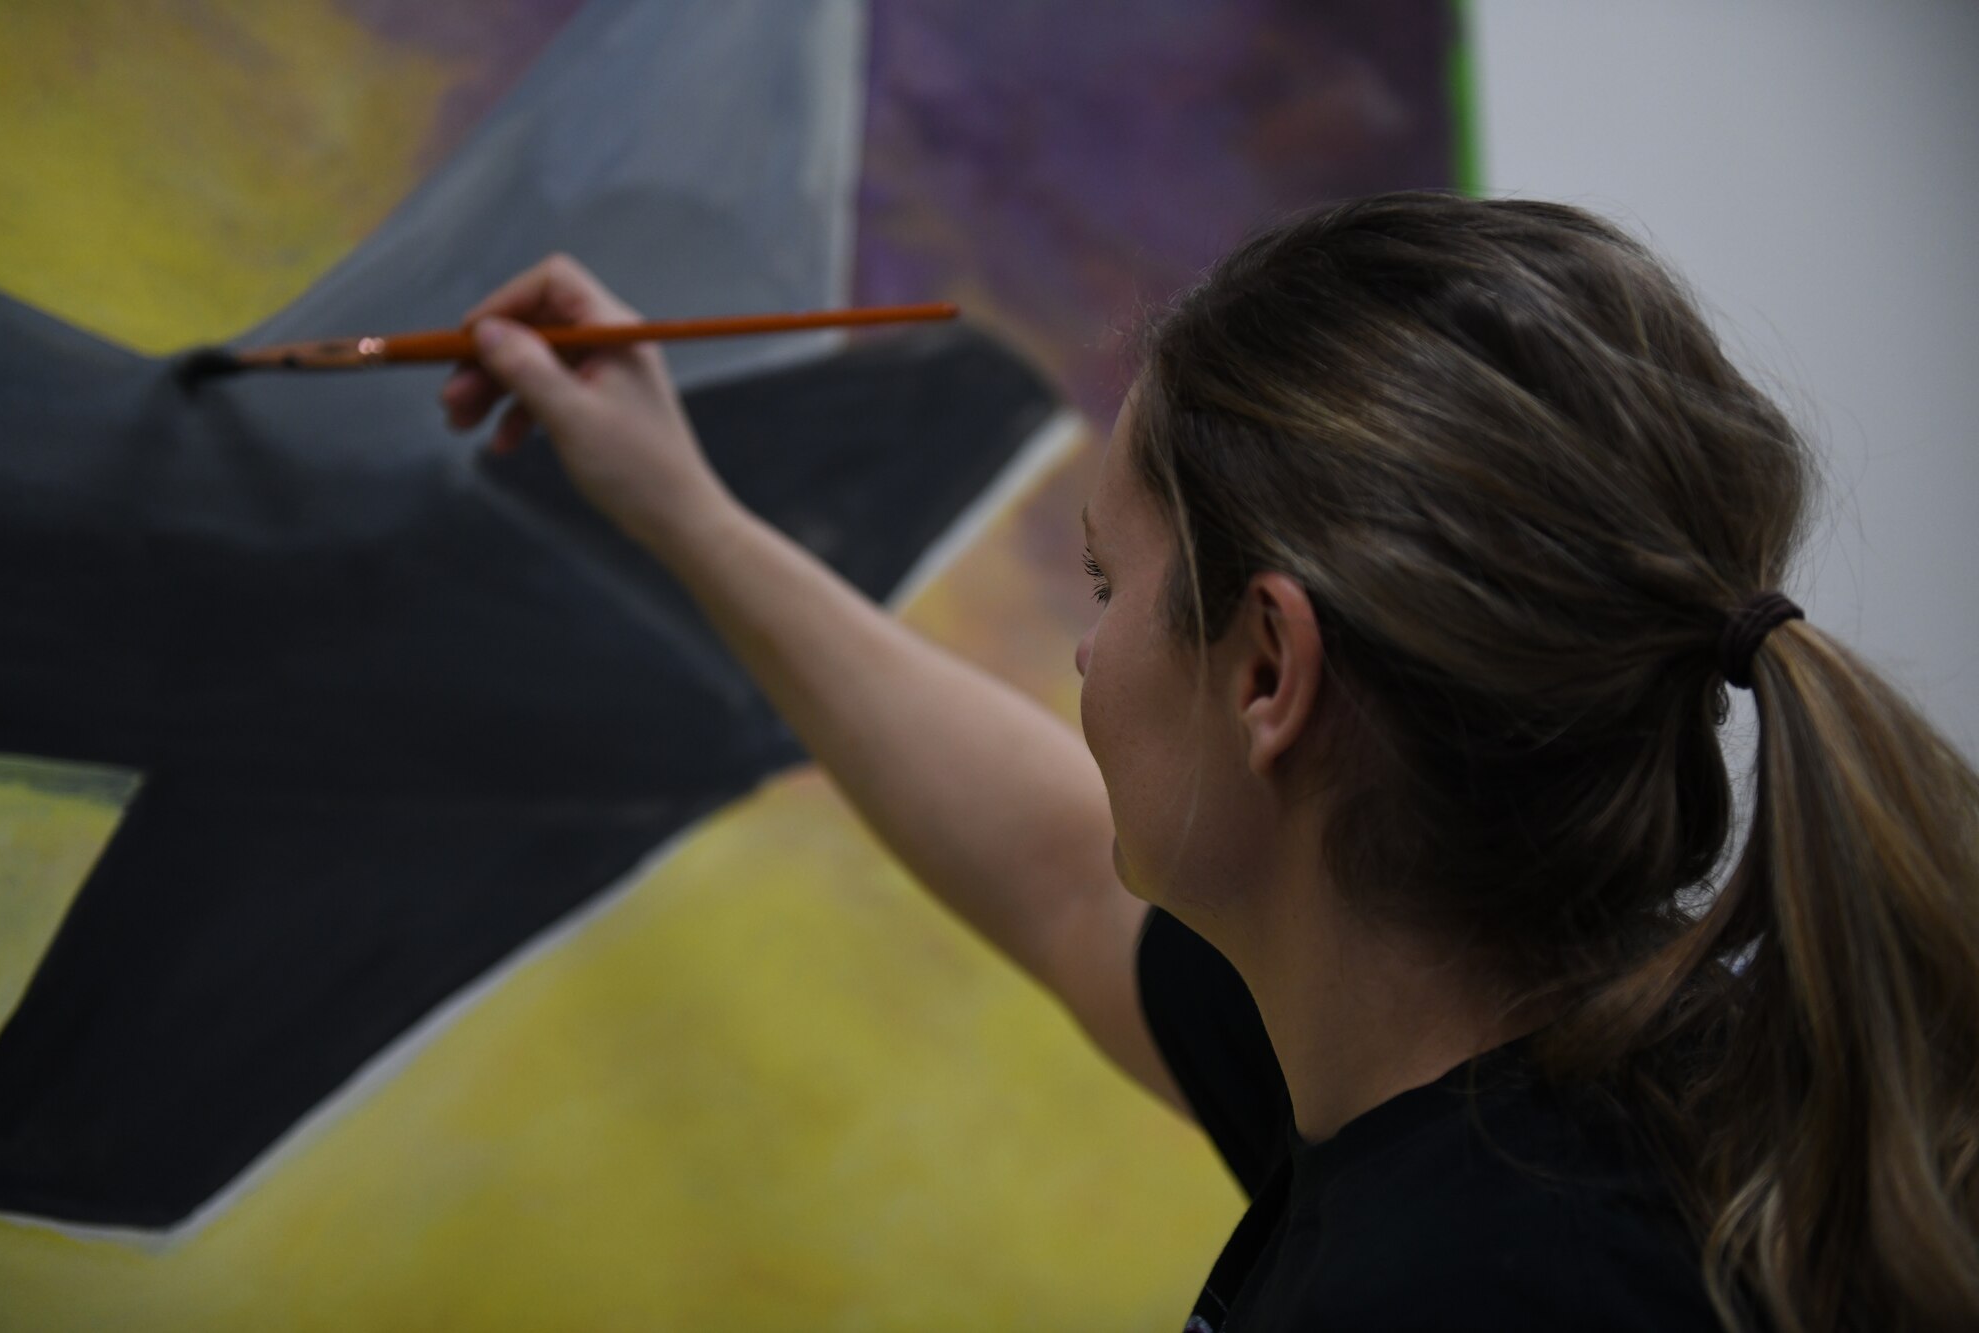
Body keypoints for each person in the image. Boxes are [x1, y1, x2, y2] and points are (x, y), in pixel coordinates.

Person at [440, 192, 1979, 1332]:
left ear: (1266, 670)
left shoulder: (1470, 1286)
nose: (1085, 654)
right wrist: (683, 509)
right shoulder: (1599, 1094)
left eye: (1107, 589)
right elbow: (1053, 873)